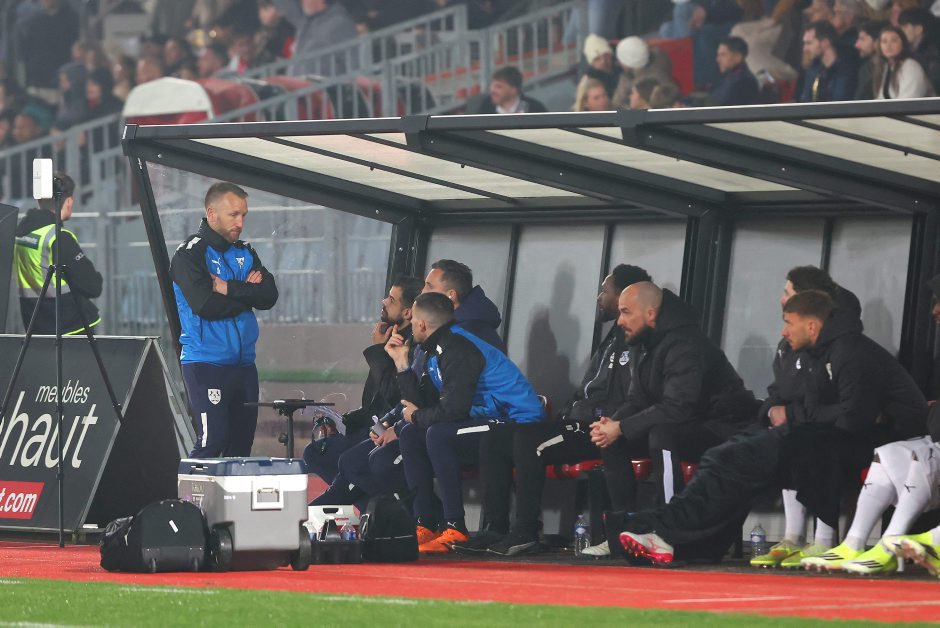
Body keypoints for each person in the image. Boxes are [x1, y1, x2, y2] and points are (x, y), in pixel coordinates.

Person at [618, 290, 927, 566]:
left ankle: (664, 531)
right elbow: (801, 405)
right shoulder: (815, 354)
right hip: (821, 434)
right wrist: (794, 413)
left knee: (733, 459)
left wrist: (796, 415)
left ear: (811, 325)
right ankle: (685, 542)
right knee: (725, 458)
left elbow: (852, 419)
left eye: (789, 322)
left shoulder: (850, 352)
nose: (783, 331)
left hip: (875, 443)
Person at [454, 264, 653, 557]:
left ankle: (526, 532)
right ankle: (495, 527)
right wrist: (572, 409)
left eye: (604, 291)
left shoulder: (640, 341)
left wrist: (597, 416)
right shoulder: (612, 338)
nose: (599, 297)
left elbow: (633, 398)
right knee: (495, 438)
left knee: (528, 440)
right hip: (581, 422)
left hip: (605, 428)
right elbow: (590, 389)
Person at [310, 260, 507, 511]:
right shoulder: (435, 334)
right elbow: (417, 393)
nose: (422, 292)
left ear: (450, 295)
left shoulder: (463, 338)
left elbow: (446, 402)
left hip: (467, 426)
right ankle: (391, 520)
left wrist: (400, 424)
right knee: (348, 462)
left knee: (372, 463)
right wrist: (389, 421)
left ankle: (425, 520)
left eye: (428, 286)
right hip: (428, 421)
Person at [591, 282, 759, 556]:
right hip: (688, 423)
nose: (619, 320)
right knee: (611, 441)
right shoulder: (643, 342)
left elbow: (679, 407)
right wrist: (611, 425)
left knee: (662, 435)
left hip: (724, 427)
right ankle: (626, 530)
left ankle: (669, 532)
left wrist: (622, 427)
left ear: (651, 314)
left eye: (626, 312)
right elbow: (637, 400)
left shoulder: (685, 343)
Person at [393, 292, 544, 554]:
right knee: (411, 434)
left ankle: (455, 527)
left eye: (413, 319)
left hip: (517, 423)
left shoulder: (458, 346)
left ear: (422, 324)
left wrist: (418, 416)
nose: (410, 325)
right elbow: (424, 406)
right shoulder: (434, 350)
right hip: (484, 418)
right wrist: (402, 366)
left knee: (437, 434)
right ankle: (425, 523)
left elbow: (452, 410)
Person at [750, 265, 862, 569]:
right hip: (806, 424)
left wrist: (791, 413)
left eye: (787, 292)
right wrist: (771, 410)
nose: (781, 299)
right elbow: (778, 390)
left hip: (843, 434)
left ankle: (823, 539)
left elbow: (835, 403)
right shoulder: (788, 345)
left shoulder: (840, 345)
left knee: (812, 442)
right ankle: (793, 537)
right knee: (775, 438)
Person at [170, 182, 278, 458]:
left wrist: (227, 287)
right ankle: (185, 489)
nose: (240, 223)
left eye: (244, 215)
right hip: (206, 363)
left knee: (240, 450)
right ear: (212, 213)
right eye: (234, 215)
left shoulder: (245, 251)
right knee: (211, 442)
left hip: (245, 366)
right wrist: (247, 293)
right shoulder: (189, 254)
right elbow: (205, 305)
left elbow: (269, 296)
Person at [304, 275, 424, 487]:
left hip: (388, 428)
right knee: (317, 452)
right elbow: (373, 404)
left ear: (407, 313)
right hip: (376, 426)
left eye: (391, 299)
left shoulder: (410, 347)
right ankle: (357, 493)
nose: (384, 301)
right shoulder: (391, 337)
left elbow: (393, 396)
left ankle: (372, 498)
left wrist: (378, 351)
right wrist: (344, 422)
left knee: (342, 460)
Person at [14, 172, 101, 335]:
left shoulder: (20, 235)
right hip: (70, 327)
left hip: (36, 326)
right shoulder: (57, 237)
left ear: (39, 200)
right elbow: (93, 286)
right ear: (69, 201)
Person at [17, 0, 79, 105]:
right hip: (37, 81)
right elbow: (25, 50)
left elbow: (74, 47)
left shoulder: (71, 18)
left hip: (61, 81)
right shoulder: (34, 21)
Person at [273, 0, 359, 75]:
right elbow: (284, 4)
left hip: (326, 86)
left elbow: (354, 60)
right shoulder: (304, 20)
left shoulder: (340, 22)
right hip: (298, 86)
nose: (302, 1)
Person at [799, 20, 858, 101]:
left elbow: (840, 100)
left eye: (809, 43)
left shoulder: (847, 69)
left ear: (825, 42)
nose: (805, 49)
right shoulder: (813, 69)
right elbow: (806, 100)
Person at [612, 37, 675, 108]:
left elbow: (617, 104)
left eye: (620, 60)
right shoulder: (661, 58)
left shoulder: (635, 83)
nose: (619, 63)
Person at [468, 66, 548, 115]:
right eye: (492, 86)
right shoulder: (485, 107)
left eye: (499, 87)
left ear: (513, 90)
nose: (492, 91)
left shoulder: (535, 109)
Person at [708, 36, 761, 105]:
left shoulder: (746, 83)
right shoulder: (725, 74)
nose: (717, 60)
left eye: (723, 55)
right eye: (718, 55)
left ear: (737, 57)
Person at [899, 8, 940, 95]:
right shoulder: (909, 53)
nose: (900, 32)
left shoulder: (933, 56)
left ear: (918, 29)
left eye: (905, 27)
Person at [854, 20, 887, 99]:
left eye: (862, 39)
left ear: (877, 41)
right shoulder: (865, 69)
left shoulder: (891, 68)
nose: (857, 45)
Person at [581, 33, 618, 97]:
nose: (603, 61)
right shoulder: (589, 81)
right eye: (597, 59)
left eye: (606, 55)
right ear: (592, 63)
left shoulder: (621, 69)